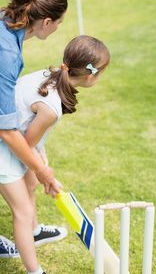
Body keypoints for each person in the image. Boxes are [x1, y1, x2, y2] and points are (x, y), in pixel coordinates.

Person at [0, 35, 110, 274]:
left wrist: (41, 157)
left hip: (12, 138)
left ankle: (35, 231)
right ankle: (35, 271)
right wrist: (45, 172)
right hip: (4, 146)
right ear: (91, 75)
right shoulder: (52, 108)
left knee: (30, 184)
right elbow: (26, 144)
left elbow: (30, 132)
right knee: (22, 211)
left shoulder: (48, 75)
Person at [0, 0, 67, 272]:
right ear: (47, 22)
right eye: (59, 23)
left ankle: (34, 230)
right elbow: (6, 131)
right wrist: (43, 171)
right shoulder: (7, 55)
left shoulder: (6, 22)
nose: (58, 29)